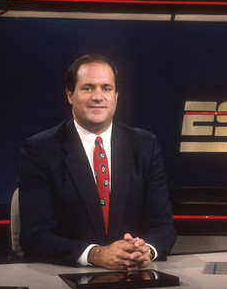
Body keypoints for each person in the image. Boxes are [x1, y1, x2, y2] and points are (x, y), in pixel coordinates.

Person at [19, 54, 176, 269]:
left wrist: (144, 250)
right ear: (70, 95)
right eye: (88, 88)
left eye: (106, 88)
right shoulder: (41, 149)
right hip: (66, 282)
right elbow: (34, 237)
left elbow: (164, 228)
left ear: (116, 96)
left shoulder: (145, 145)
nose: (98, 96)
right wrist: (95, 254)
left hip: (134, 276)